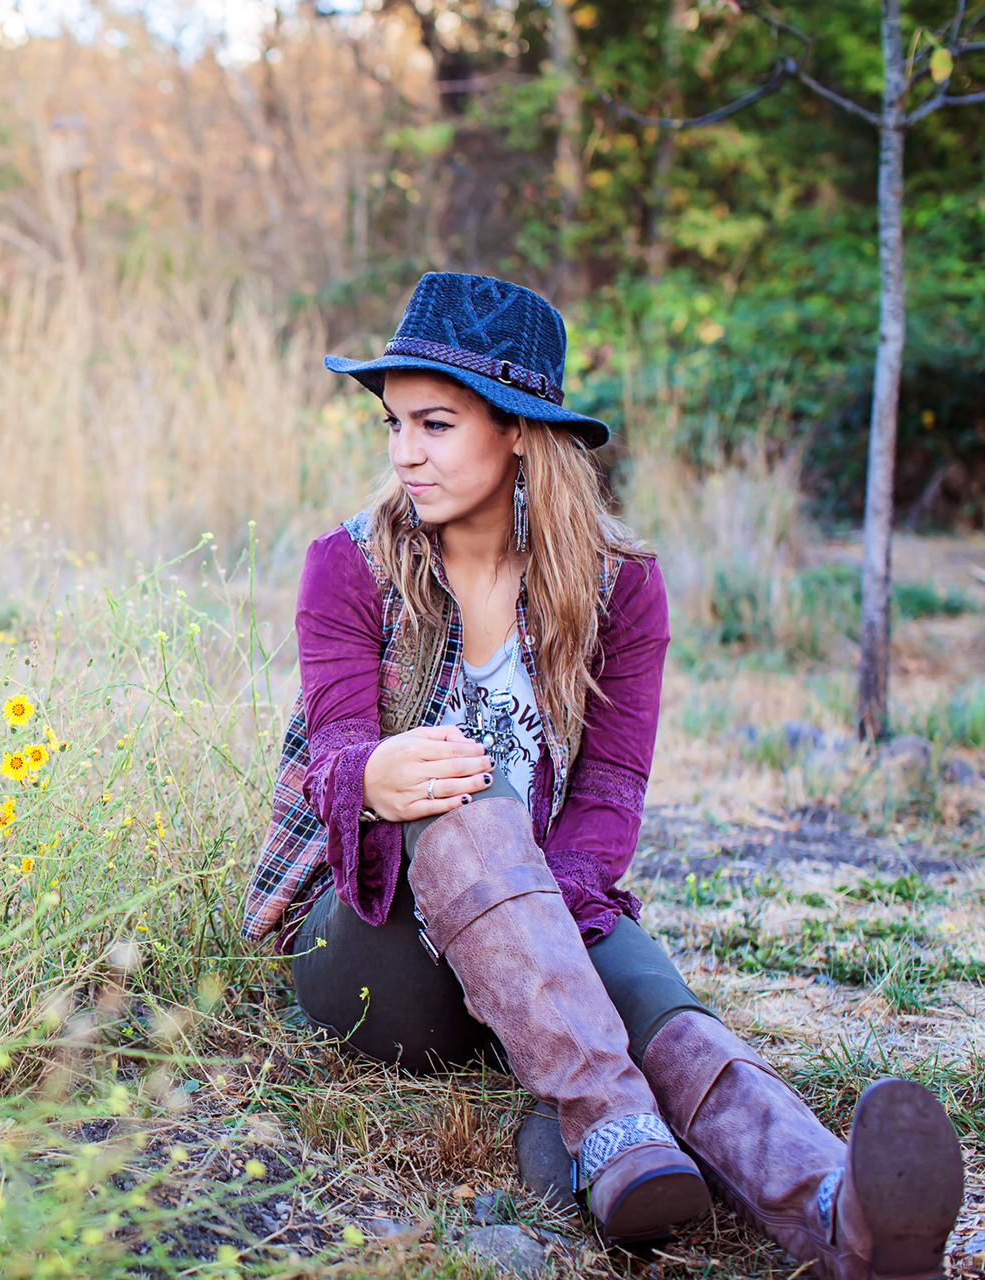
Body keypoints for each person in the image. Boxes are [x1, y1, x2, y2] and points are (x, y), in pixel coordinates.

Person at [241, 272, 964, 1273]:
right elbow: (332, 755)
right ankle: (609, 1118)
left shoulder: (621, 588)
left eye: (436, 424)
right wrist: (372, 776)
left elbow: (610, 796)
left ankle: (839, 1210)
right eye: (394, 423)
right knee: (462, 786)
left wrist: (567, 932)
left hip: (539, 936)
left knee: (655, 1001)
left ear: (519, 432)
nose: (405, 451)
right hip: (372, 948)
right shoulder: (352, 565)